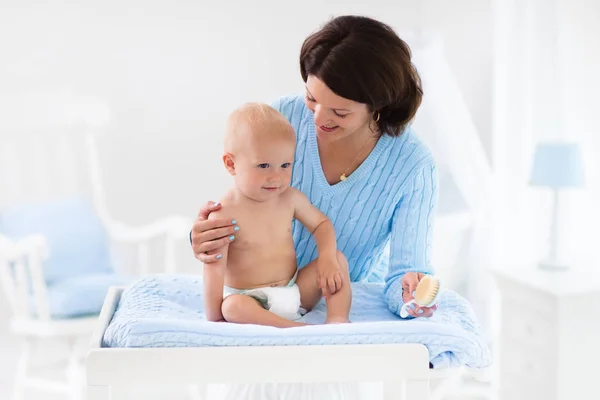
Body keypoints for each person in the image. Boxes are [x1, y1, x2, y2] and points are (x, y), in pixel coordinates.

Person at [191, 15, 438, 319]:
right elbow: (242, 198)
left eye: (339, 112)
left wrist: (410, 292)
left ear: (378, 106)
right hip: (254, 296)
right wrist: (204, 237)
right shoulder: (281, 119)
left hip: (337, 292)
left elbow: (404, 273)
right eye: (311, 98)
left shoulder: (413, 166)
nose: (319, 119)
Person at [203, 102, 351, 328]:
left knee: (338, 260)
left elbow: (320, 224)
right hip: (251, 299)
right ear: (231, 164)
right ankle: (296, 329)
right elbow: (214, 267)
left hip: (295, 291)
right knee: (231, 307)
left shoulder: (289, 198)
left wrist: (327, 257)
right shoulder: (224, 214)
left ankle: (338, 320)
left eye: (285, 165)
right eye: (263, 166)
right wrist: (215, 315)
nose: (276, 177)